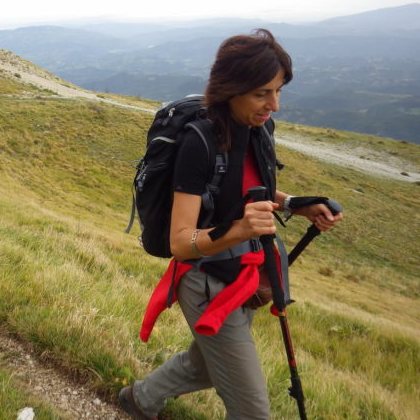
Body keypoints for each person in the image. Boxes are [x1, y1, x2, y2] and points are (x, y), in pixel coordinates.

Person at [119, 29, 344, 420]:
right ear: (230, 89)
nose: (274, 105)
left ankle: (138, 400)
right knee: (253, 410)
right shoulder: (200, 143)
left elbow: (246, 191)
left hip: (245, 275)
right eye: (262, 94)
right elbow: (180, 241)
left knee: (204, 364)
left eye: (278, 91)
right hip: (206, 281)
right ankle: (139, 400)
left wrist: (294, 205)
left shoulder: (259, 129)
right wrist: (238, 231)